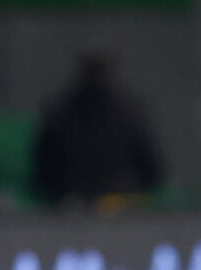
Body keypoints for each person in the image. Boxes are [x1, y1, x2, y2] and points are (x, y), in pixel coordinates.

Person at [32, 51, 164, 209]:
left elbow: (42, 172)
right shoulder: (130, 113)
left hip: (84, 203)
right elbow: (152, 170)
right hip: (94, 204)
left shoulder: (58, 111)